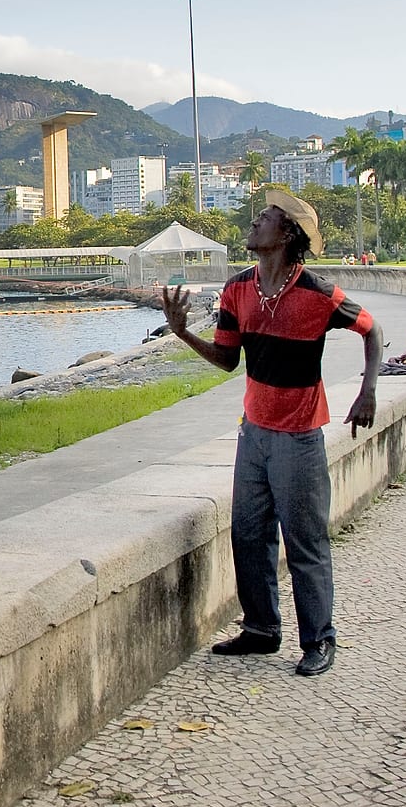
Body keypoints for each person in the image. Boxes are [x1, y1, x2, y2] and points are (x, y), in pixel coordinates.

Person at [159, 190, 382, 678]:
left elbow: (372, 331)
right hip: (253, 434)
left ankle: (320, 639)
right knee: (249, 534)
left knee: (305, 541)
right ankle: (261, 630)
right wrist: (183, 333)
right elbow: (226, 360)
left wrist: (367, 391)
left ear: (286, 234)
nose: (254, 221)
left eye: (265, 218)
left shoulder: (319, 295)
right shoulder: (237, 289)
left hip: (300, 438)